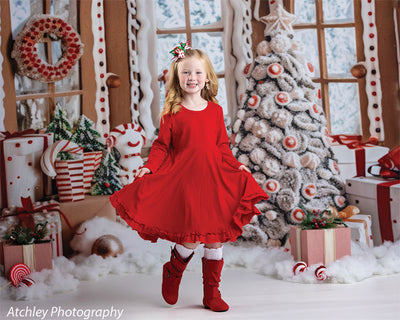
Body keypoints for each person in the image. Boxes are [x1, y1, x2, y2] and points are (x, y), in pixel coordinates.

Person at [110, 41, 269, 312]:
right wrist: (150, 167)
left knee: (214, 236)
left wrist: (235, 166)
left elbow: (221, 146)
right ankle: (173, 269)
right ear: (176, 77)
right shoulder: (172, 113)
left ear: (207, 77)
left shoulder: (216, 111)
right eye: (185, 73)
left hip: (214, 179)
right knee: (192, 237)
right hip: (186, 180)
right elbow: (161, 146)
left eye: (197, 73)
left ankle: (212, 293)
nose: (191, 78)